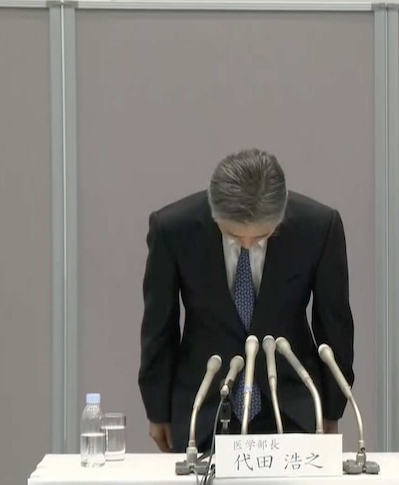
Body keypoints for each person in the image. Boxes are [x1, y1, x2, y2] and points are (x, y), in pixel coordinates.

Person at [139, 148, 354, 452]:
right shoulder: (173, 229)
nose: (248, 245)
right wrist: (157, 409)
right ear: (215, 214)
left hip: (292, 403)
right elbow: (159, 328)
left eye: (262, 238)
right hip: (204, 406)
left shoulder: (318, 227)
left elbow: (335, 326)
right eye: (234, 237)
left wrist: (332, 408)